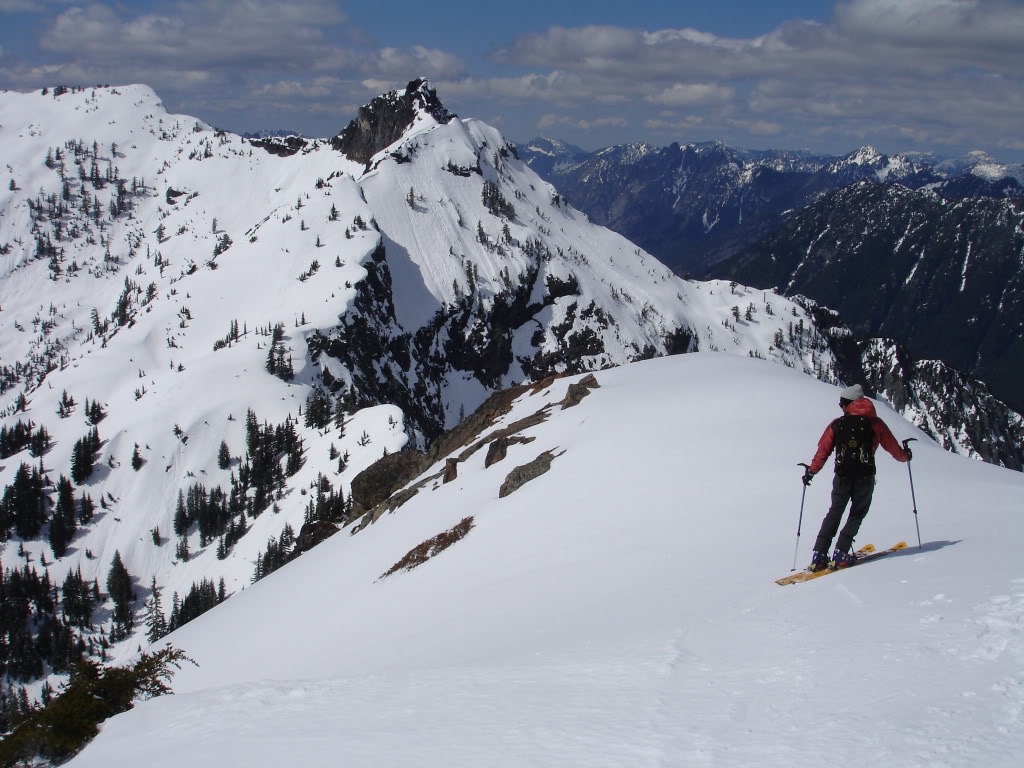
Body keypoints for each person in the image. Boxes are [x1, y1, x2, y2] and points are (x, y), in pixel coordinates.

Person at [802, 384, 911, 571]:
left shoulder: (837, 425)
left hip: (842, 477)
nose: (841, 407)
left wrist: (811, 471)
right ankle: (841, 553)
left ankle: (819, 554)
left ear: (848, 404)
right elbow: (893, 449)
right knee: (857, 513)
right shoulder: (875, 424)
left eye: (842, 404)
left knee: (835, 512)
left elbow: (823, 450)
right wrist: (906, 455)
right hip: (865, 477)